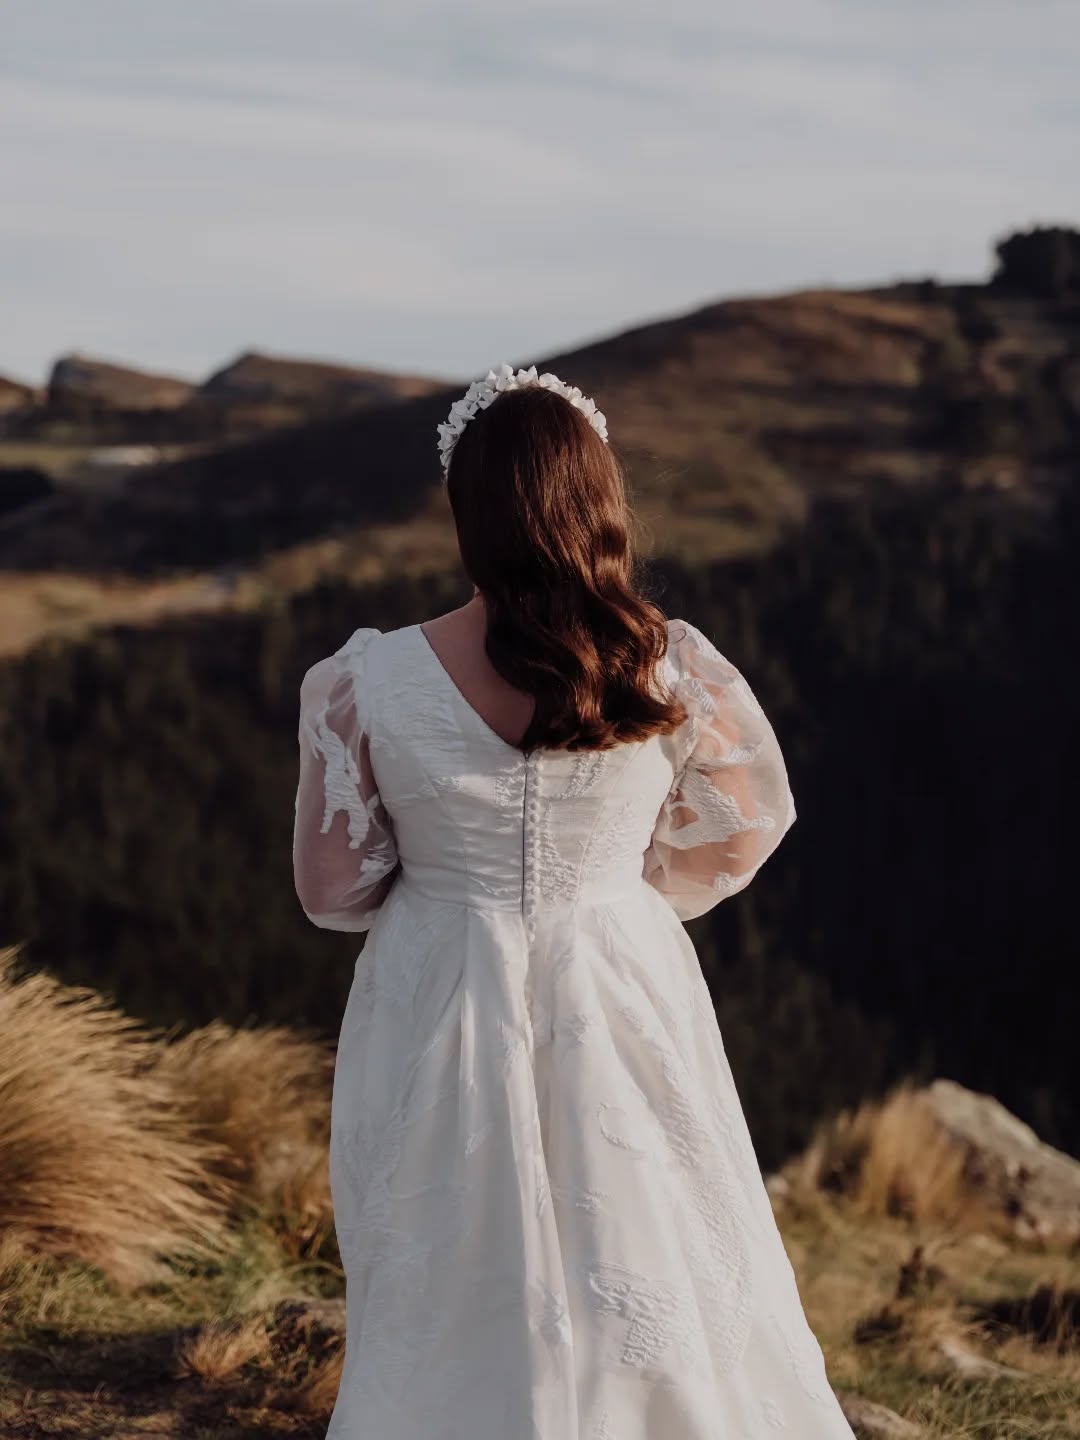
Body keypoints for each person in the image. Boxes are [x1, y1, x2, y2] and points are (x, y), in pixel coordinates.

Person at [292, 365, 855, 1438]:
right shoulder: (666, 665)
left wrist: (441, 878)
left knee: (449, 1256)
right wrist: (618, 894)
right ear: (597, 503)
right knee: (649, 1230)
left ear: (469, 512)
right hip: (619, 974)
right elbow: (745, 825)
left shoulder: (364, 683)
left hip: (441, 986)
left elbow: (331, 888)